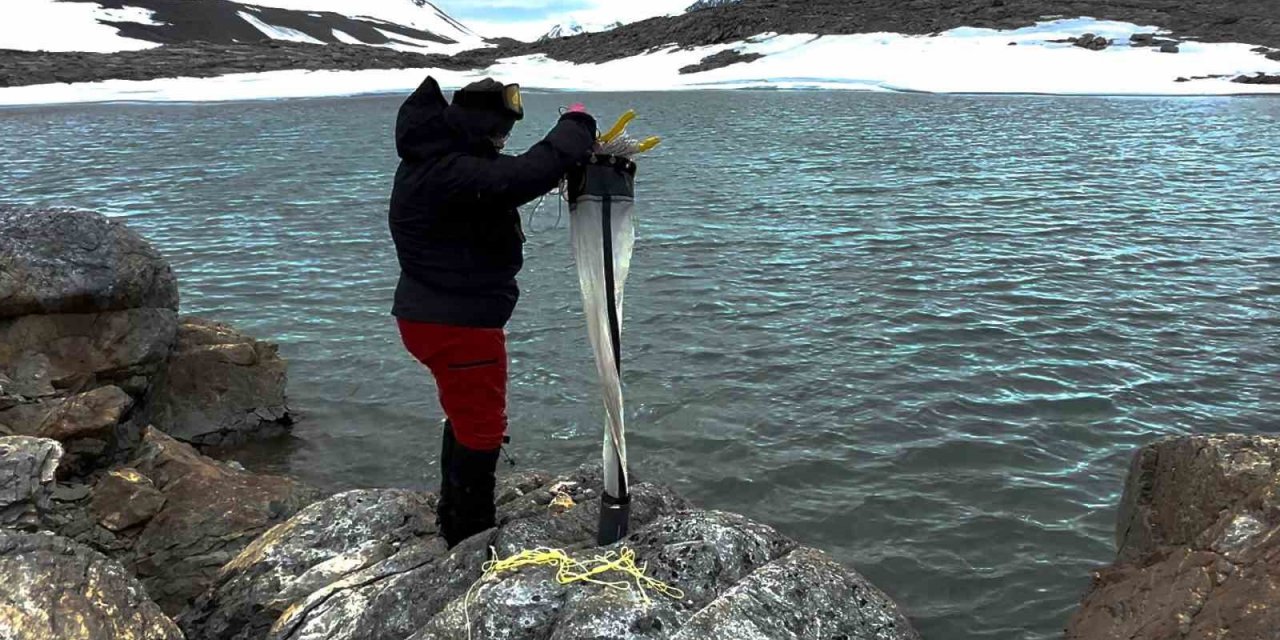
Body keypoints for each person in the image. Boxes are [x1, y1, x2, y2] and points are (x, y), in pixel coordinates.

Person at [388, 76, 597, 548]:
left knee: (464, 417)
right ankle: (470, 536)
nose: (503, 141)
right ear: (480, 125)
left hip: (437, 315)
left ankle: (452, 516)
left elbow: (510, 173)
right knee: (483, 429)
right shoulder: (447, 171)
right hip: (455, 324)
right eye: (499, 131)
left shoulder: (437, 159)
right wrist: (576, 126)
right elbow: (522, 175)